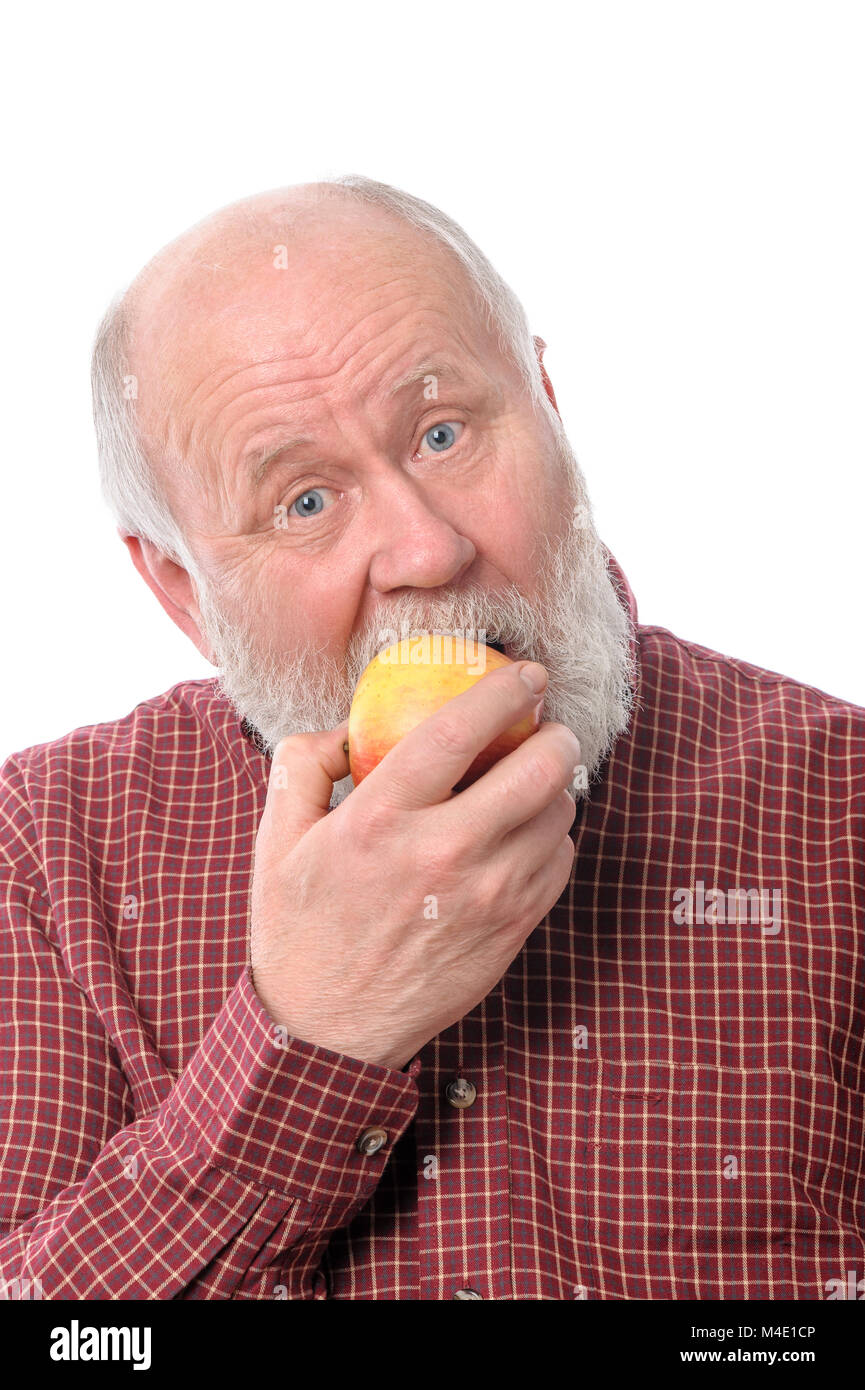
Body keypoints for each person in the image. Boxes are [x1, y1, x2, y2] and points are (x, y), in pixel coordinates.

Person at [1, 176, 862, 1300]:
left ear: (547, 401)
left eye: (443, 432)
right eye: (304, 502)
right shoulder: (44, 853)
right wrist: (311, 1035)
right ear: (183, 591)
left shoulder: (840, 801)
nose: (424, 548)